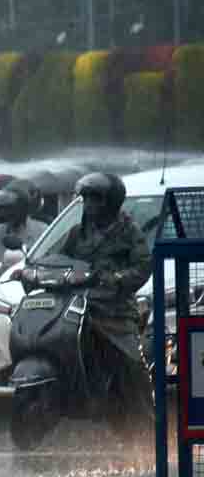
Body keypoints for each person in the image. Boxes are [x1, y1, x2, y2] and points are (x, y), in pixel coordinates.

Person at [61, 172, 154, 428]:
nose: (89, 204)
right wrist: (29, 271)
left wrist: (117, 279)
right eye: (86, 198)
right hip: (77, 306)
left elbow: (144, 265)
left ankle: (147, 427)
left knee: (133, 364)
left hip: (115, 310)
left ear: (110, 202)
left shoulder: (128, 231)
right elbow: (55, 258)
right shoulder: (77, 232)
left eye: (95, 199)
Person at [0, 183, 46, 262]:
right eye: (0, 210)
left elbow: (48, 256)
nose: (4, 216)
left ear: (20, 210)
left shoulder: (41, 230)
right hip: (4, 271)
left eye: (7, 210)